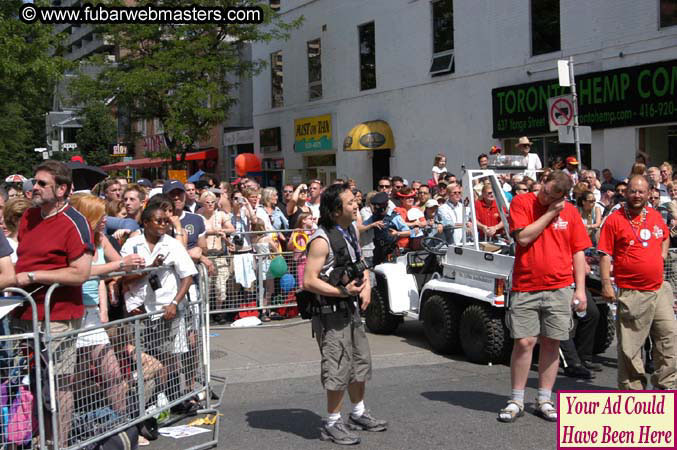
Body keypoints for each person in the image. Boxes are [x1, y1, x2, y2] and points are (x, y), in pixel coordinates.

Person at [12, 160, 94, 447]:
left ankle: (57, 442)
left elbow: (81, 272)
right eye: (34, 182)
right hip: (23, 311)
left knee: (59, 382)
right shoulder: (29, 218)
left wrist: (35, 276)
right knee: (30, 381)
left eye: (41, 183)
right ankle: (37, 437)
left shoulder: (75, 222)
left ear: (61, 190)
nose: (33, 187)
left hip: (58, 315)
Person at [498, 170, 590, 423]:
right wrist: (551, 212)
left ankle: (544, 399)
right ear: (543, 182)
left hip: (560, 287)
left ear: (562, 196)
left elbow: (578, 251)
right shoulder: (522, 202)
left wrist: (580, 289)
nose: (544, 196)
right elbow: (524, 238)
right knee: (525, 341)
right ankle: (516, 399)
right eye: (544, 190)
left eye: (551, 196)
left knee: (552, 341)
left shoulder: (570, 212)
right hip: (526, 285)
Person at [304, 183, 387, 445]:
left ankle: (358, 413)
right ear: (336, 209)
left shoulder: (350, 229)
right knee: (337, 367)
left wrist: (366, 288)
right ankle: (332, 422)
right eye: (351, 202)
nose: (356, 205)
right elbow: (309, 281)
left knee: (359, 362)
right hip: (330, 314)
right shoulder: (321, 239)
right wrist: (341, 293)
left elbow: (359, 261)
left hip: (350, 310)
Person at [598, 175, 676, 390]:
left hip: (659, 289)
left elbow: (665, 236)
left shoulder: (654, 215)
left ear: (650, 192)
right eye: (633, 191)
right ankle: (634, 392)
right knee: (630, 348)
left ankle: (666, 387)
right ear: (625, 192)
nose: (637, 195)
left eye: (641, 191)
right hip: (632, 292)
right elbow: (604, 254)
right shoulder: (615, 219)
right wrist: (606, 283)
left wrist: (661, 256)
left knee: (669, 338)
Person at [120, 203, 199, 410]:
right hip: (139, 309)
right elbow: (122, 276)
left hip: (166, 310)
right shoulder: (132, 244)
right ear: (145, 223)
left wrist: (174, 303)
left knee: (169, 355)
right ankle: (146, 402)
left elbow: (187, 276)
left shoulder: (172, 244)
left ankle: (174, 399)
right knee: (144, 357)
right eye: (158, 221)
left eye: (165, 221)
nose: (163, 225)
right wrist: (149, 269)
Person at [363, 192, 410, 265]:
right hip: (378, 250)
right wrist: (372, 225)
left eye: (381, 210)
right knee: (378, 273)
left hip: (390, 251)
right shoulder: (374, 217)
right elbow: (361, 227)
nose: (380, 213)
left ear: (386, 205)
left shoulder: (394, 217)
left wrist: (397, 233)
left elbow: (408, 232)